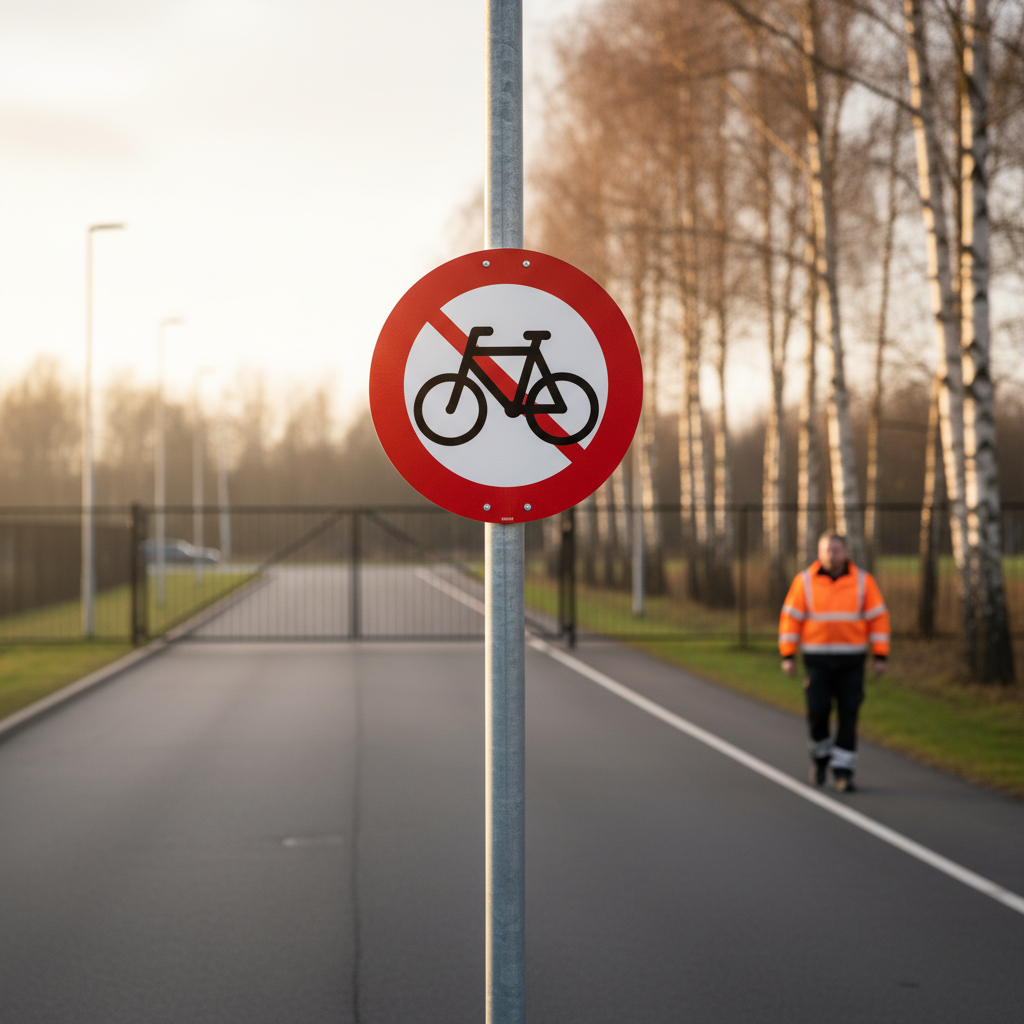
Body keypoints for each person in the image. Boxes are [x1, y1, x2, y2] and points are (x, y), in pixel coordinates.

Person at [778, 533, 890, 793]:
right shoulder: (804, 582)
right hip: (817, 661)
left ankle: (843, 771)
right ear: (819, 552)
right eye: (827, 550)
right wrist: (788, 655)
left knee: (848, 714)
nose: (831, 554)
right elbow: (790, 619)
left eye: (836, 550)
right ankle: (820, 759)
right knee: (817, 713)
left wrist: (880, 655)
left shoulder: (863, 582)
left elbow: (878, 619)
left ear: (845, 552)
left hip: (851, 660)